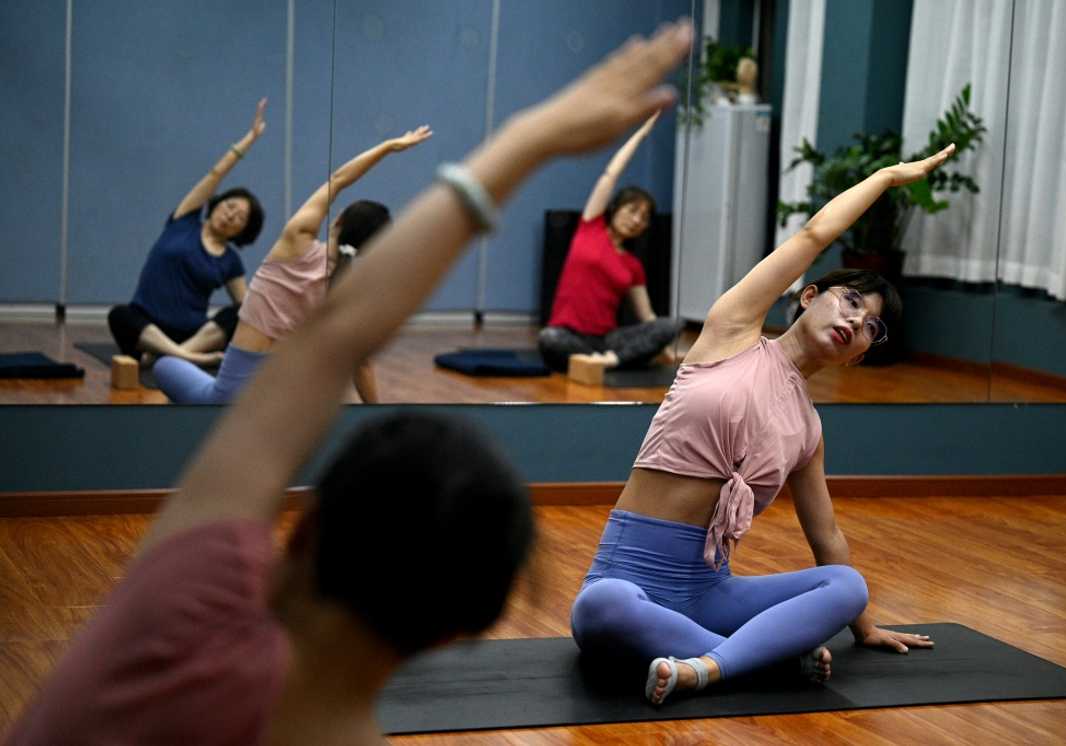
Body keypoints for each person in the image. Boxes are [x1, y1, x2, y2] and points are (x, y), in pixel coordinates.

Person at [4, 21, 695, 745]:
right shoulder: (303, 240)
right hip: (238, 370)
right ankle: (171, 355)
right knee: (195, 378)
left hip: (248, 377)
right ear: (451, 637)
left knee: (209, 385)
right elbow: (336, 339)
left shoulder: (183, 603)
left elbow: (335, 342)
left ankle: (173, 356)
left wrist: (528, 139)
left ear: (302, 533)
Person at [569, 143, 957, 705]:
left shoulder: (808, 430)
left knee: (846, 585)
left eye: (871, 326)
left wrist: (863, 626)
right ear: (809, 297)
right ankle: (759, 661)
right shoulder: (732, 333)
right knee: (600, 607)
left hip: (707, 593)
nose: (855, 320)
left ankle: (708, 667)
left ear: (859, 356)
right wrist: (887, 178)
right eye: (849, 301)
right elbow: (812, 237)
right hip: (630, 579)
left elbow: (827, 537)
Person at [152, 125, 432, 404]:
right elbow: (362, 365)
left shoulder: (296, 240)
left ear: (338, 222)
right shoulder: (350, 293)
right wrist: (375, 412)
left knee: (164, 365)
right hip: (283, 402)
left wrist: (388, 147)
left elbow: (339, 179)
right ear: (368, 250)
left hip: (229, 401)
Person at [108, 99, 268, 367]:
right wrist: (249, 140)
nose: (231, 215)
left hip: (192, 334)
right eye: (230, 206)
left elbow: (248, 309)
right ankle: (184, 358)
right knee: (119, 315)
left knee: (239, 314)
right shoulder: (184, 220)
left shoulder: (230, 260)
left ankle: (173, 354)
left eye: (240, 218)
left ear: (243, 231)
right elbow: (215, 175)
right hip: (147, 327)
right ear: (217, 203)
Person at [538, 111, 683, 373]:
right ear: (615, 209)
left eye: (644, 217)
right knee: (549, 338)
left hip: (607, 341)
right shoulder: (590, 227)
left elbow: (647, 317)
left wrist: (662, 346)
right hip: (568, 337)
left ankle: (609, 362)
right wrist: (640, 135)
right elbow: (610, 175)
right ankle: (606, 362)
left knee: (671, 324)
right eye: (631, 211)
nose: (636, 220)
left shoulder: (633, 265)